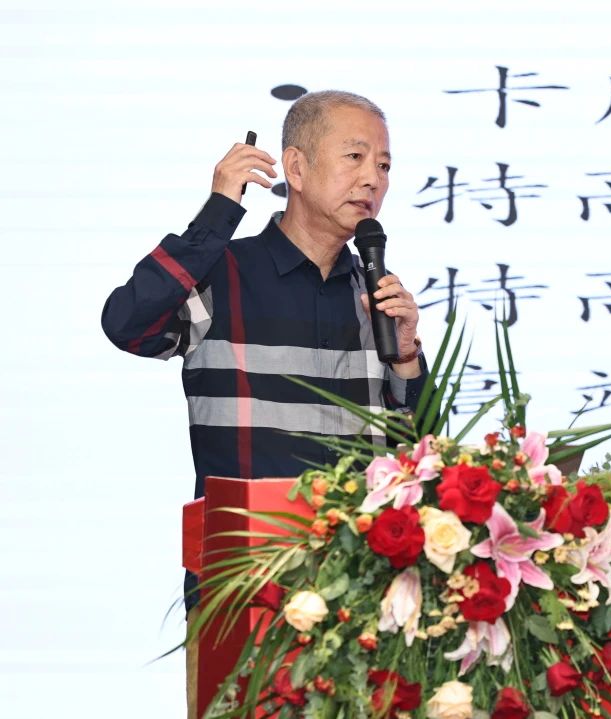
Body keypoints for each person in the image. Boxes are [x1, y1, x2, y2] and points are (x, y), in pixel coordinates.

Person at [100, 90, 426, 717]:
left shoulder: (376, 296)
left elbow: (417, 454)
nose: (373, 179)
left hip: (367, 595)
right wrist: (218, 212)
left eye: (384, 165)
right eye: (355, 157)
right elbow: (128, 324)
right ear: (295, 169)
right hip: (246, 589)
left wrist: (407, 358)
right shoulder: (223, 273)